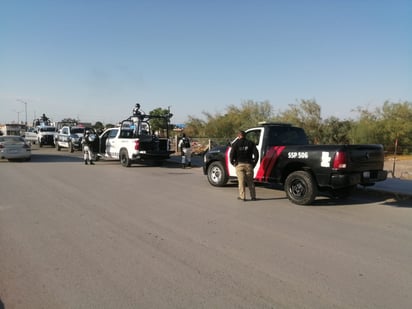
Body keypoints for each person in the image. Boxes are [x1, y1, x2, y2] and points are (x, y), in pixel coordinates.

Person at [230, 130, 259, 201]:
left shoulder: (235, 144)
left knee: (241, 181)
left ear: (238, 136)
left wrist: (233, 163)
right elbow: (256, 154)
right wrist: (254, 163)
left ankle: (242, 197)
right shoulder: (251, 143)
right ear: (245, 135)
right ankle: (253, 197)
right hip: (249, 164)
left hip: (239, 165)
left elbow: (231, 155)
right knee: (250, 182)